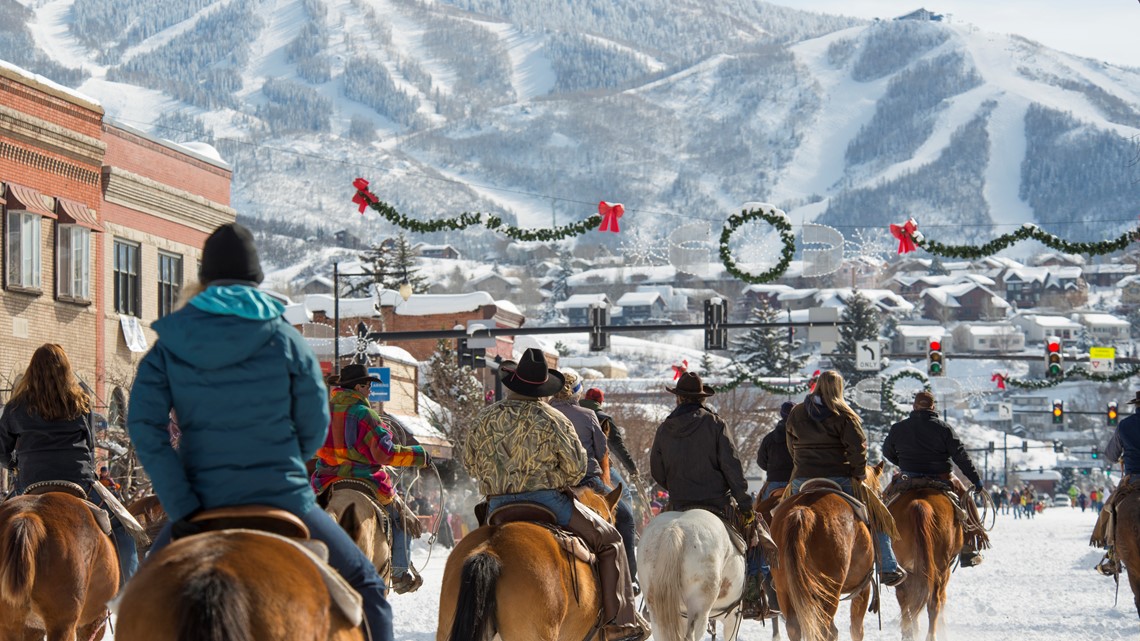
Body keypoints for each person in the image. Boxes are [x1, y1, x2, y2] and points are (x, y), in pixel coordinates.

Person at [127, 223, 393, 641]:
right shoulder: (288, 341)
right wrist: (285, 461)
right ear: (256, 279)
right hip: (282, 497)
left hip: (198, 502)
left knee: (134, 602)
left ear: (205, 278)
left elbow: (144, 425)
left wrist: (181, 501)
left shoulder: (169, 345)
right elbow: (314, 426)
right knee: (371, 591)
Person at [464, 348, 648, 641]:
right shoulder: (553, 419)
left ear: (512, 384)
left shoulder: (484, 418)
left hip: (497, 505)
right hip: (547, 502)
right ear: (541, 388)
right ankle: (619, 622)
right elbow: (577, 469)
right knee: (611, 540)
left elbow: (470, 462)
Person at [0, 343, 139, 586]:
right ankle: (130, 596)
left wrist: (15, 465)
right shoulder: (82, 404)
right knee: (124, 532)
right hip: (79, 483)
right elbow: (90, 446)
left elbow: (1, 450)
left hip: (31, 482)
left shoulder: (15, 407)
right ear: (66, 371)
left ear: (32, 371)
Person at [650, 371, 769, 619]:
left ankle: (649, 599)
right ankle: (751, 596)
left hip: (678, 503)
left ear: (679, 399)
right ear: (701, 399)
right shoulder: (716, 425)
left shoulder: (664, 428)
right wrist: (745, 505)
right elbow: (732, 468)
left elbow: (657, 472)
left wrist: (677, 485)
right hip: (717, 503)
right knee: (754, 539)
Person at [312, 362, 431, 594]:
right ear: (359, 387)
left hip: (325, 484)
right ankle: (398, 573)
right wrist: (419, 456)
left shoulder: (322, 414)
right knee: (401, 519)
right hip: (366, 482)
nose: (369, 391)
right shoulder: (365, 414)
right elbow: (385, 453)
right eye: (367, 387)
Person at [785, 370, 906, 587]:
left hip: (802, 478)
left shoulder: (797, 413)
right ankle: (887, 566)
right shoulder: (845, 415)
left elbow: (791, 445)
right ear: (839, 388)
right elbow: (857, 448)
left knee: (779, 515)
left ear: (818, 386)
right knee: (878, 514)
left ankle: (770, 569)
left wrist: (800, 465)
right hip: (839, 477)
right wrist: (858, 473)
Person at [882, 391, 989, 567]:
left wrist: (903, 463)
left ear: (914, 406)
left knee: (882, 503)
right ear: (933, 407)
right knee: (967, 501)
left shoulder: (898, 428)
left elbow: (887, 452)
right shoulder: (944, 429)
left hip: (908, 476)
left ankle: (876, 543)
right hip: (942, 476)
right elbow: (960, 456)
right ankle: (970, 547)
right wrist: (975, 480)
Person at [579, 386, 641, 586]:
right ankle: (630, 576)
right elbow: (613, 448)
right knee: (626, 504)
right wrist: (632, 468)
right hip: (593, 471)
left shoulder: (562, 414)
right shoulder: (601, 417)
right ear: (600, 402)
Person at [1092, 390, 1140, 575]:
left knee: (1110, 509)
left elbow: (1111, 455)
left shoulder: (1125, 425)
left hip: (1133, 480)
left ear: (1136, 405)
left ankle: (1112, 553)